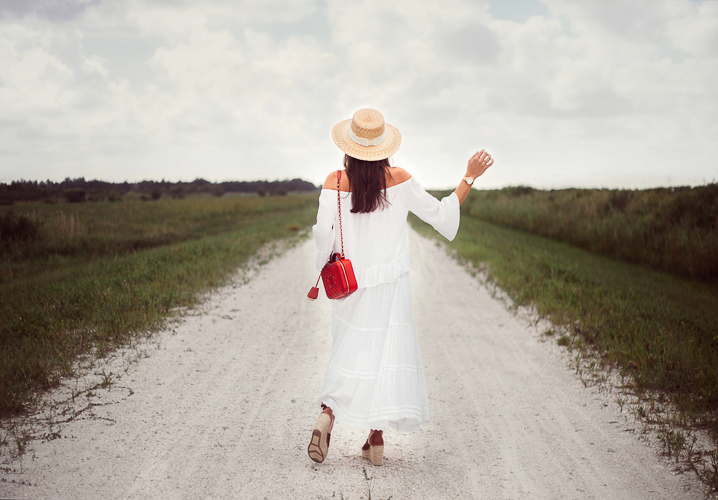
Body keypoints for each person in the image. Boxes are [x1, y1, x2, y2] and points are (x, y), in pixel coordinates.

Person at [307, 108, 493, 466]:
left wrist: (323, 265)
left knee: (348, 349)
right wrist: (468, 176)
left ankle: (328, 413)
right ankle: (375, 439)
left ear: (348, 147)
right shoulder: (401, 178)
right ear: (383, 147)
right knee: (385, 353)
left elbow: (321, 233)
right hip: (391, 284)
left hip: (350, 284)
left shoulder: (333, 182)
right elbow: (440, 216)